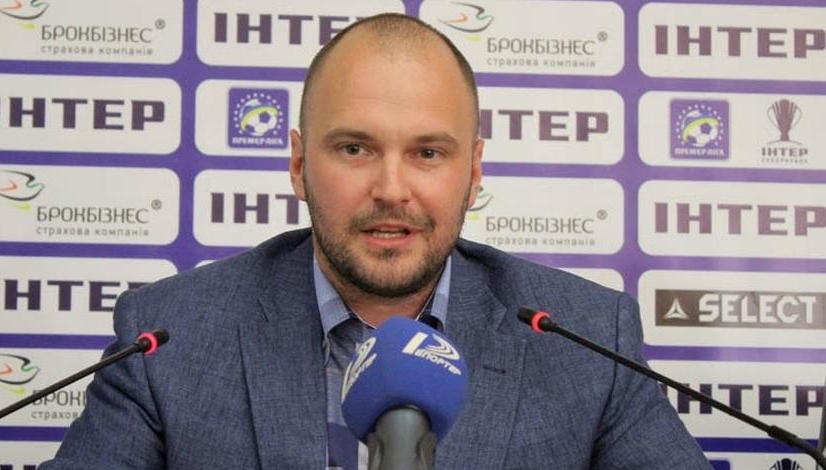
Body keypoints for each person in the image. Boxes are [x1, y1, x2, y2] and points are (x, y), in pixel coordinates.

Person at [40, 13, 711, 469]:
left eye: (428, 152)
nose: (392, 189)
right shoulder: (168, 337)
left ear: (474, 171)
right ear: (298, 164)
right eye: (355, 148)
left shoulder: (587, 339)